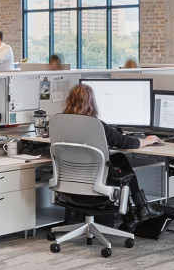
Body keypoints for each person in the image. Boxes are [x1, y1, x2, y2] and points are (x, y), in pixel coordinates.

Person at [62, 83, 164, 232]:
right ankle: (140, 208)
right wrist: (147, 141)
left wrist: (114, 132)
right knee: (122, 166)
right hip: (95, 182)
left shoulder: (60, 122)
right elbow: (126, 142)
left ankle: (134, 215)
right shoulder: (96, 125)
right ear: (91, 102)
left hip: (70, 183)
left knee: (119, 159)